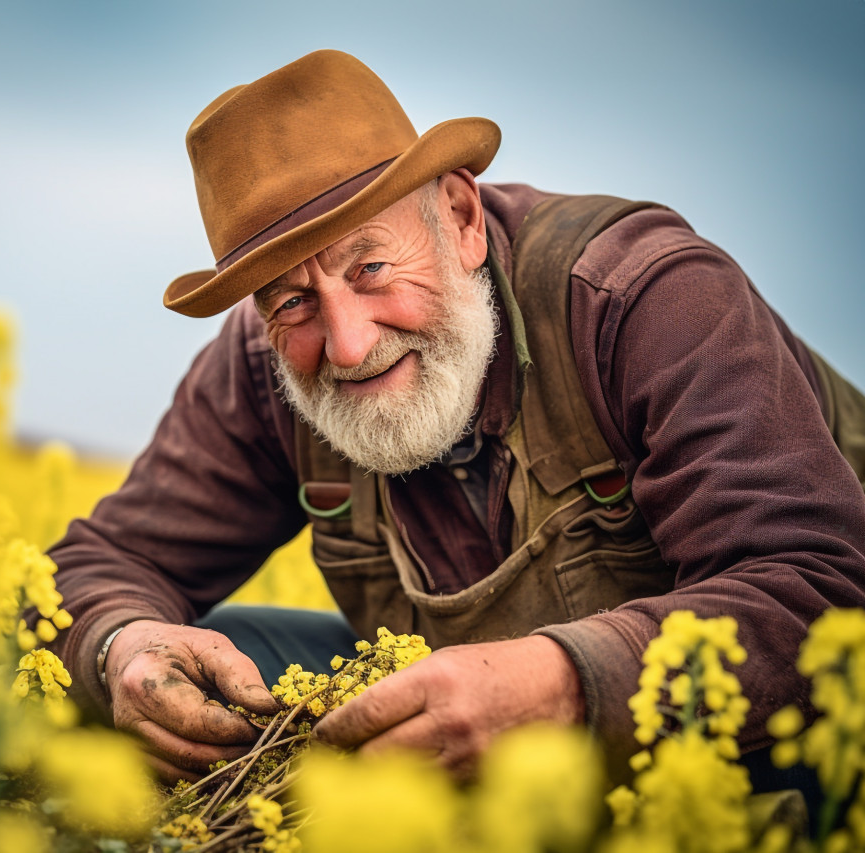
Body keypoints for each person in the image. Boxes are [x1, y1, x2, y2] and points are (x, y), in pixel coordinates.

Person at [47, 49, 865, 785]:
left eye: (369, 266)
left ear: (463, 219)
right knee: (176, 674)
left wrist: (566, 686)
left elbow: (824, 589)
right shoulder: (260, 368)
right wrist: (119, 649)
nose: (346, 341)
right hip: (471, 735)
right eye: (292, 301)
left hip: (766, 737)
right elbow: (101, 561)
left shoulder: (645, 297)